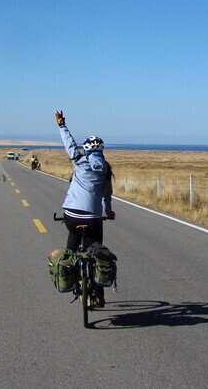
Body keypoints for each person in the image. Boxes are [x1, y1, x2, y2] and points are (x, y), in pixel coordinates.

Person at [55, 110, 114, 306]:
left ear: (87, 151)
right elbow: (106, 196)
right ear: (102, 151)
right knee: (95, 250)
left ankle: (71, 278)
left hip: (71, 215)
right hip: (93, 218)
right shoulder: (106, 170)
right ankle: (96, 292)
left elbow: (69, 144)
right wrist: (109, 212)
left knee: (71, 249)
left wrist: (62, 124)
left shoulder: (79, 162)